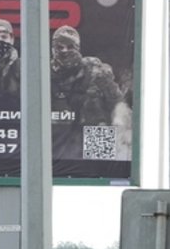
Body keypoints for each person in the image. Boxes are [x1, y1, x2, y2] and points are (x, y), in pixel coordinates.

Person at [48, 25, 130, 159]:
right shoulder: (44, 73)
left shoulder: (95, 72)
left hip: (93, 135)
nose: (64, 51)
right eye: (59, 47)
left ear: (78, 48)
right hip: (58, 143)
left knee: (100, 173)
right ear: (53, 49)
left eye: (70, 47)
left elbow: (118, 105)